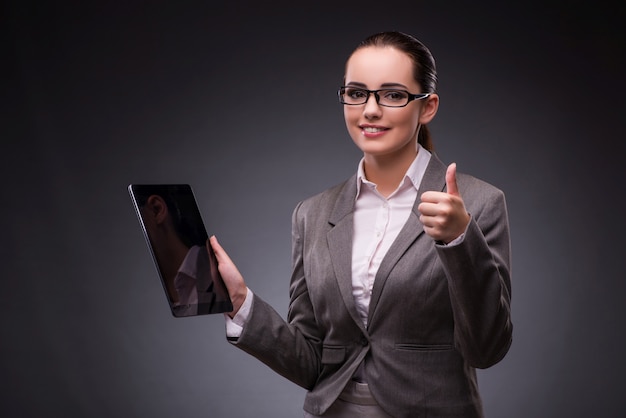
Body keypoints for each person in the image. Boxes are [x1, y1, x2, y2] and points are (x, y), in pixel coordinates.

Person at [209, 31, 512, 417]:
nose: (370, 110)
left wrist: (458, 241)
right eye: (356, 93)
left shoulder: (480, 204)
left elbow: (487, 349)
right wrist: (241, 304)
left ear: (428, 106)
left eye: (392, 95)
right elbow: (312, 362)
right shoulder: (312, 213)